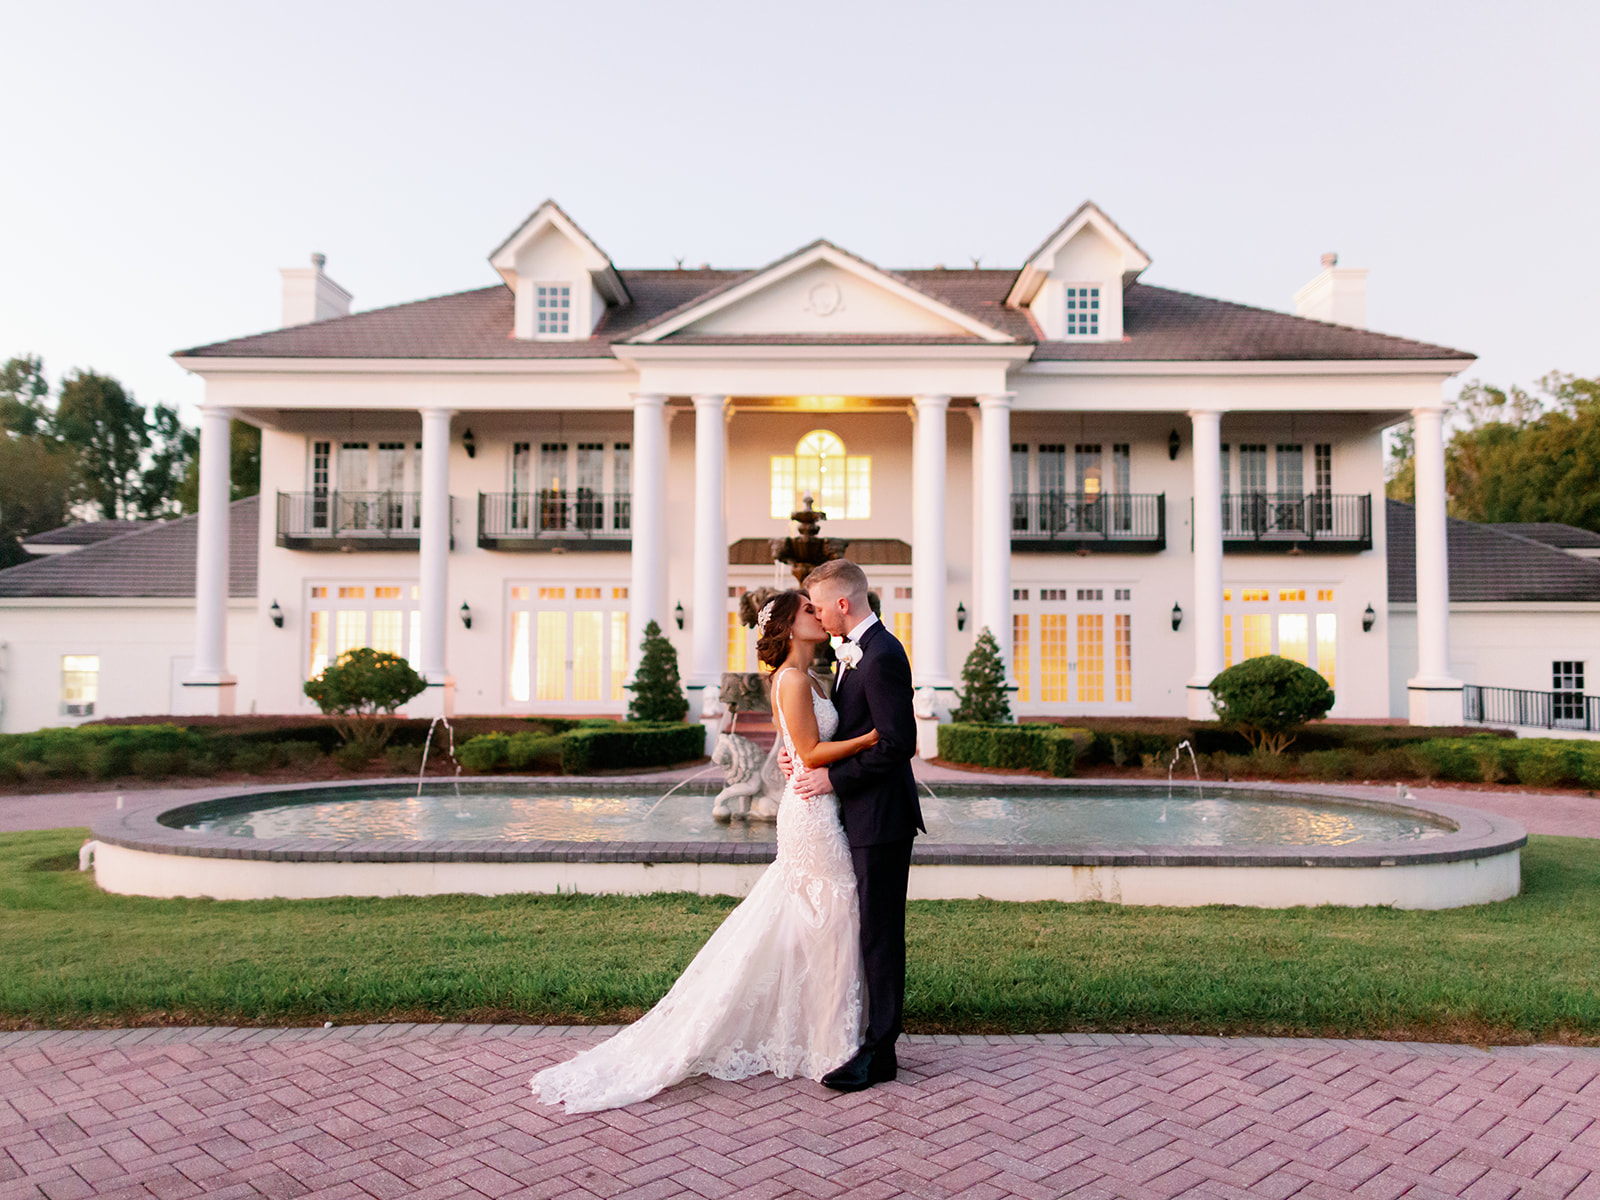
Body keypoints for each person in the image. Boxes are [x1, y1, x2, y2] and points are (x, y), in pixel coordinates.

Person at [530, 589, 879, 1113]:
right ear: (787, 627)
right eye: (808, 609)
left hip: (815, 806)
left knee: (825, 918)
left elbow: (793, 747)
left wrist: (792, 756)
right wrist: (871, 739)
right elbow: (810, 750)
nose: (818, 613)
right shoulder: (789, 678)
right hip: (810, 815)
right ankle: (833, 1046)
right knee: (832, 914)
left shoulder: (808, 678)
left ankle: (830, 1039)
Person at [786, 557, 923, 1092]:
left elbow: (898, 743)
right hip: (857, 817)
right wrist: (805, 761)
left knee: (881, 934)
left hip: (882, 819)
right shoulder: (850, 655)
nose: (817, 617)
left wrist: (832, 780)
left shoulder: (884, 654)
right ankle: (870, 1039)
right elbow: (839, 731)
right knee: (865, 930)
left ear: (843, 604)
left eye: (820, 607)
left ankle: (879, 1052)